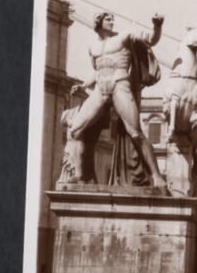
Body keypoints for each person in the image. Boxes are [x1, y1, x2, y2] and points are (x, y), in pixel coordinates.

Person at [69, 10, 166, 187]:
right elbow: (96, 70)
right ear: (98, 22)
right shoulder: (93, 47)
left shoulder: (124, 37)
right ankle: (79, 174)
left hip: (119, 85)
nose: (111, 22)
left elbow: (151, 40)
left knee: (136, 133)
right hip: (100, 89)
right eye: (108, 19)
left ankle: (157, 176)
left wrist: (157, 26)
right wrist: (83, 86)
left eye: (112, 19)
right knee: (75, 131)